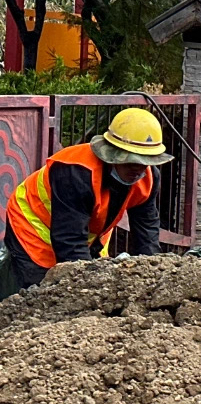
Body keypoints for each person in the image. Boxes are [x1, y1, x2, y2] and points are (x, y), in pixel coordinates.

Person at [4, 108, 171, 290]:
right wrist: (88, 287)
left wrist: (151, 275)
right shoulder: (75, 173)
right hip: (33, 228)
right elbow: (70, 239)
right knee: (42, 290)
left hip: (86, 234)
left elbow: (147, 231)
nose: (138, 169)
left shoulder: (148, 178)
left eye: (146, 161)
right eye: (131, 161)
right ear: (112, 154)